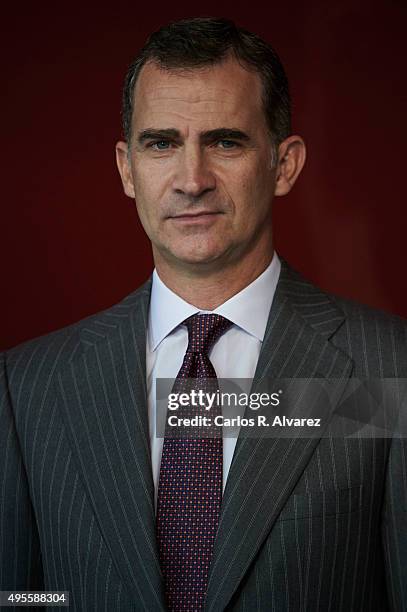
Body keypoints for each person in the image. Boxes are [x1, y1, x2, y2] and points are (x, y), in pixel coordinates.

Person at [1, 16, 406, 612]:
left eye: (225, 141)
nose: (192, 180)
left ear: (284, 164)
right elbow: (23, 599)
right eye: (161, 143)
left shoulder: (387, 370)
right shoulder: (26, 387)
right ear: (126, 169)